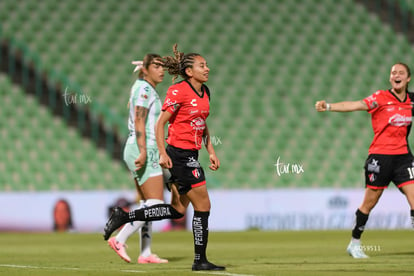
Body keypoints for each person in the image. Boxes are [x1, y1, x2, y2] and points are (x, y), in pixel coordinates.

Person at [104, 44, 225, 271]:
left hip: (192, 153)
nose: (207, 69)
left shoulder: (205, 92)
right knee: (204, 205)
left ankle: (122, 217)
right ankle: (200, 260)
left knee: (177, 210)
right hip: (178, 155)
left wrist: (211, 150)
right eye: (202, 65)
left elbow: (201, 122)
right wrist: (162, 152)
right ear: (189, 71)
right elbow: (161, 123)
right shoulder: (179, 90)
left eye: (206, 65)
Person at [315, 62, 414, 258]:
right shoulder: (380, 98)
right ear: (390, 78)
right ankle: (355, 242)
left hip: (403, 157)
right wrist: (329, 106)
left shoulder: (412, 100)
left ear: (408, 79)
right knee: (369, 203)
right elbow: (356, 104)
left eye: (401, 72)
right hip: (380, 158)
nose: (396, 75)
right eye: (393, 72)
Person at [107, 54, 168, 264]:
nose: (162, 70)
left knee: (146, 203)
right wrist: (143, 151)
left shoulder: (145, 88)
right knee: (156, 203)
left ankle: (145, 253)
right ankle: (120, 239)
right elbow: (140, 121)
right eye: (157, 66)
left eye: (163, 67)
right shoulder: (143, 89)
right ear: (145, 69)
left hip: (139, 146)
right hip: (145, 147)